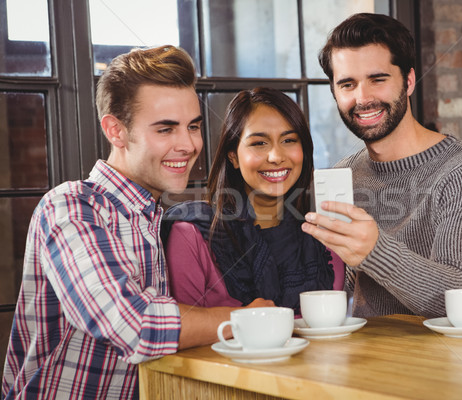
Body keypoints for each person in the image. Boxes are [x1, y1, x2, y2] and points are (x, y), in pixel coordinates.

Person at [2, 46, 272, 400]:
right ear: (116, 130)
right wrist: (244, 319)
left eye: (193, 126)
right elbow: (134, 324)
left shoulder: (152, 215)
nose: (188, 144)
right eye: (165, 129)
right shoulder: (71, 207)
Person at [301, 13, 462, 319]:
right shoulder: (345, 175)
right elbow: (338, 296)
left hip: (443, 362)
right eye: (347, 84)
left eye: (377, 79)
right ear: (334, 93)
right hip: (360, 358)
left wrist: (373, 251)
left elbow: (458, 301)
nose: (362, 98)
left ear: (408, 81)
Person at [162, 87, 343, 315]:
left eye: (289, 140)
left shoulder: (324, 244)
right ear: (234, 157)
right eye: (259, 143)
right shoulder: (191, 236)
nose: (276, 157)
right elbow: (184, 332)